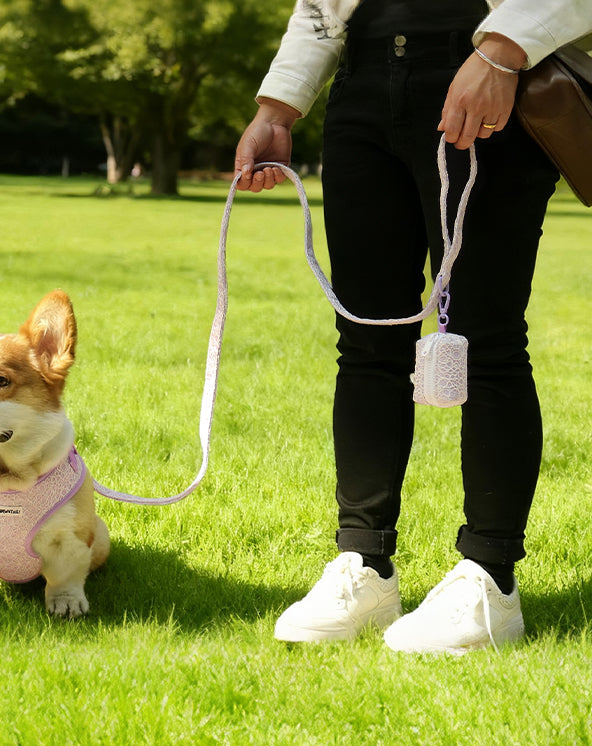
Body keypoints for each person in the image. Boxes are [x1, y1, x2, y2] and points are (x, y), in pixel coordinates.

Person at [235, 0, 592, 654]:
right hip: (363, 82)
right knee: (366, 341)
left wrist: (502, 53)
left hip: (488, 75)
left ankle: (490, 580)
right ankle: (364, 564)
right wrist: (278, 109)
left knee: (486, 342)